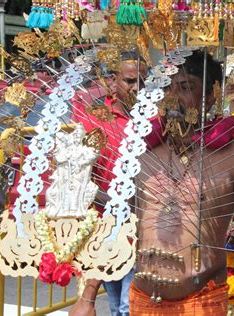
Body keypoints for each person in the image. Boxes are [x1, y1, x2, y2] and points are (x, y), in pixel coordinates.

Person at [72, 50, 234, 315]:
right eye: (167, 88)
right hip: (141, 301)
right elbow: (115, 223)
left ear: (210, 95)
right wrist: (88, 295)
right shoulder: (142, 152)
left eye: (185, 87)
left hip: (201, 302)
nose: (172, 97)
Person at [71, 51, 153, 316]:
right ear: (112, 80)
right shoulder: (94, 115)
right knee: (116, 301)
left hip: (142, 222)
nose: (136, 87)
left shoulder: (155, 118)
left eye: (142, 81)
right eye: (129, 80)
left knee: (130, 306)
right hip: (103, 221)